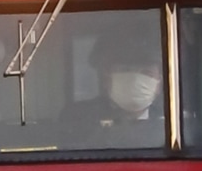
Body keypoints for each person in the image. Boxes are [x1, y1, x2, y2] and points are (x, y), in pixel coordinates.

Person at [63, 22, 166, 150]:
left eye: (146, 73)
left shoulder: (172, 122)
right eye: (125, 70)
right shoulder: (77, 118)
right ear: (106, 77)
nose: (135, 80)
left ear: (159, 83)